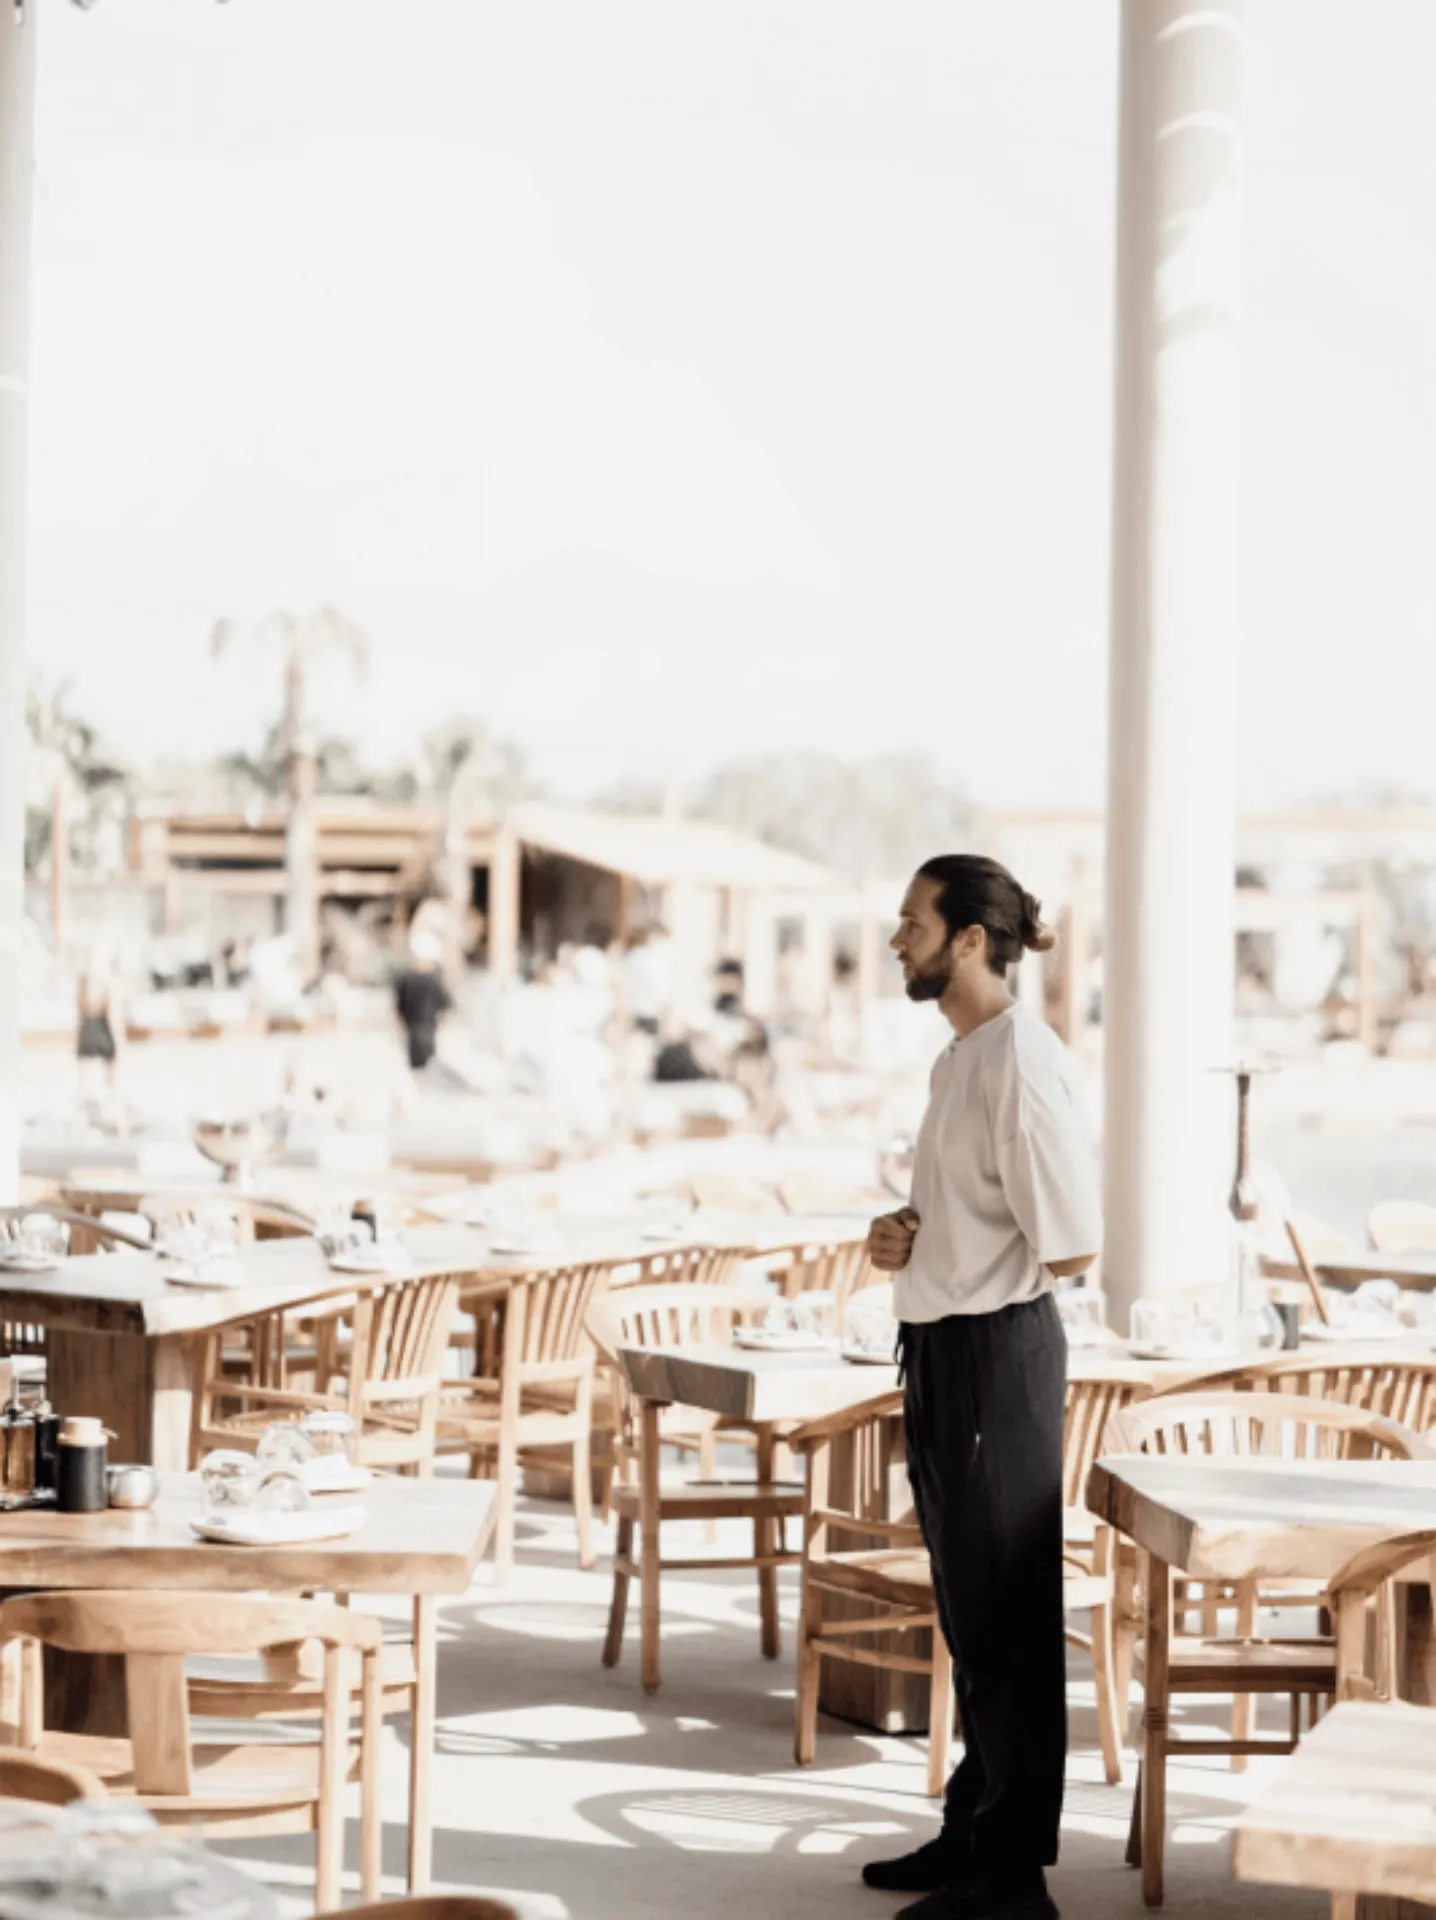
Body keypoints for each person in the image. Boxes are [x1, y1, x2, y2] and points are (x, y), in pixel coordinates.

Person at [861, 855, 1101, 1920]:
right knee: (967, 1614)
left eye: (911, 922)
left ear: (967, 938)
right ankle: (972, 1828)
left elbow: (1073, 1243)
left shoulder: (1019, 1058)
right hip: (942, 1346)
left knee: (1007, 1613)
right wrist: (898, 1240)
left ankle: (1009, 1880)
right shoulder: (958, 1056)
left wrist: (963, 1255)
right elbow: (972, 1214)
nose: (895, 938)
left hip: (996, 1352)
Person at [393, 928, 453, 1074]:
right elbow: (448, 1007)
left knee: (419, 1072)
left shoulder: (404, 979)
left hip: (415, 1036)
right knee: (428, 1073)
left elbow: (398, 1013)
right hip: (426, 1035)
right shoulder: (433, 980)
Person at [75, 948, 123, 1099]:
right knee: (110, 1082)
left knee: (84, 1081)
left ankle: (86, 1102)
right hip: (104, 1034)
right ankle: (111, 1099)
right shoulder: (109, 985)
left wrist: (77, 1041)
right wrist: (119, 1044)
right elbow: (113, 1018)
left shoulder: (83, 984)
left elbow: (79, 1015)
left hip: (87, 1034)